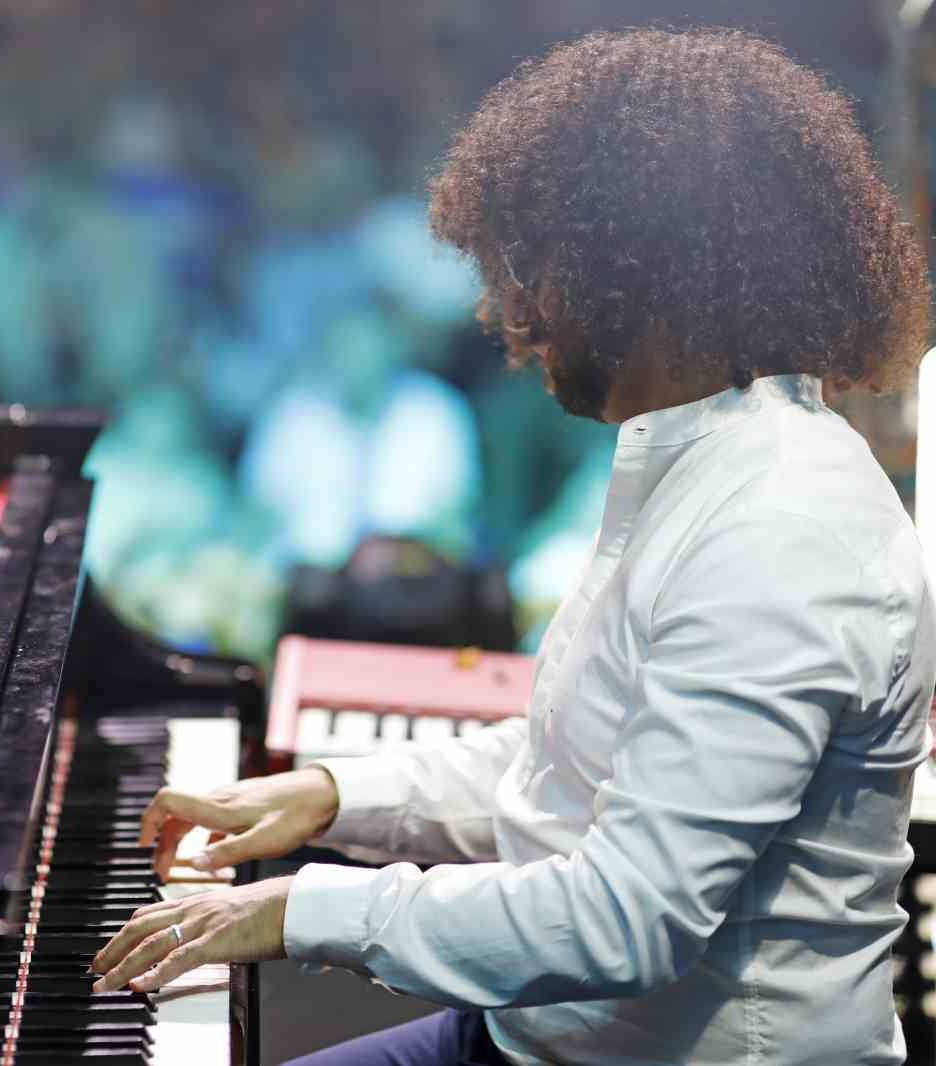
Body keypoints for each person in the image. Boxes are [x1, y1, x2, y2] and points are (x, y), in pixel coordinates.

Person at [91, 27, 935, 1065]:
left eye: (531, 268)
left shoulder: (780, 532)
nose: (510, 314)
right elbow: (570, 767)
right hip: (543, 1035)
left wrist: (300, 909)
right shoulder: (706, 461)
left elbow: (627, 920)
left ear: (648, 274)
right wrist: (331, 795)